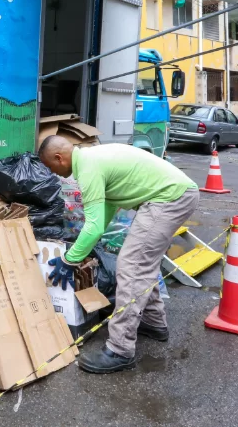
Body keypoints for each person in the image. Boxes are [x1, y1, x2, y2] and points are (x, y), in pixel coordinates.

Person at [38, 136, 199, 374]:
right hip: (176, 194)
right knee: (142, 262)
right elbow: (106, 211)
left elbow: (92, 226)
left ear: (59, 158)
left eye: (53, 168)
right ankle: (154, 323)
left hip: (169, 198)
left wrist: (68, 259)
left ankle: (120, 349)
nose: (59, 176)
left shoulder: (88, 168)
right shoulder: (93, 158)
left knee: (132, 266)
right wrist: (88, 243)